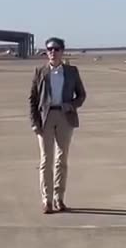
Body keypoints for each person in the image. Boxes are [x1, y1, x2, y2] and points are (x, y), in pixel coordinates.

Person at [28, 37, 87, 214]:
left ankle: (58, 198)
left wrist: (71, 105)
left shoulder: (71, 71)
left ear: (62, 51)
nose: (52, 52)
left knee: (62, 159)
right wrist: (34, 122)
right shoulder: (40, 71)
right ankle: (46, 200)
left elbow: (81, 95)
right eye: (49, 49)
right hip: (45, 118)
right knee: (46, 159)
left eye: (56, 49)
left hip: (64, 117)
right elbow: (33, 99)